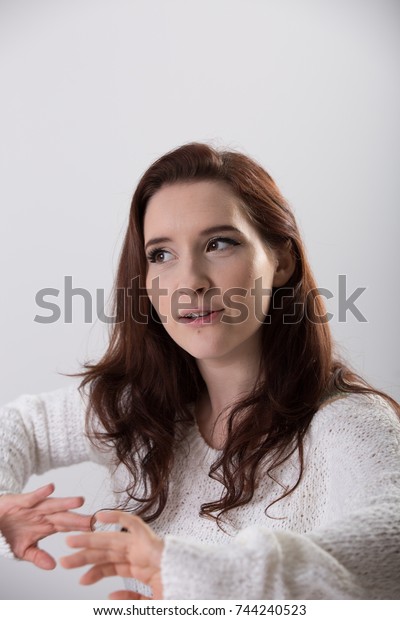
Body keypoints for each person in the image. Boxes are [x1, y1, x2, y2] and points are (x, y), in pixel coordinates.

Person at [0, 142, 399, 600]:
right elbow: (20, 426)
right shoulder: (140, 409)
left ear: (282, 262)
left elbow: (391, 545)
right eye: (161, 254)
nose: (189, 281)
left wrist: (194, 573)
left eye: (219, 244)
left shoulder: (347, 422)